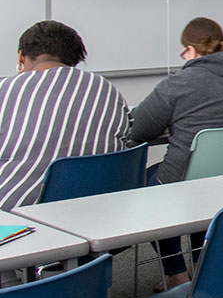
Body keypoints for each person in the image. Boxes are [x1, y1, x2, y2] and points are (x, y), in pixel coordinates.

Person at [130, 17, 223, 290]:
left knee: (149, 185)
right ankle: (207, 266)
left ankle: (176, 273)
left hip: (190, 183)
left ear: (191, 50)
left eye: (184, 52)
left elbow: (139, 128)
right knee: (202, 184)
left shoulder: (179, 83)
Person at [0, 21, 129, 213]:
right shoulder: (107, 88)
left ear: (21, 55)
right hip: (99, 213)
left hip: (16, 218)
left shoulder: (7, 89)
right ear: (74, 59)